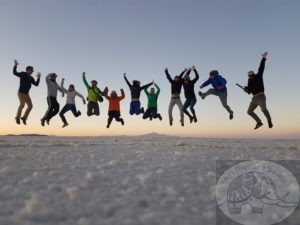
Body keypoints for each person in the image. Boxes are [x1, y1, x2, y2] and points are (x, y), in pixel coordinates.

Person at [243, 51, 273, 129]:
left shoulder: (258, 76)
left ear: (253, 74)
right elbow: (250, 91)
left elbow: (261, 68)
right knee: (249, 112)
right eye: (249, 76)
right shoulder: (249, 81)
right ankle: (259, 122)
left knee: (263, 109)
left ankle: (269, 120)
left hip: (261, 97)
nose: (250, 77)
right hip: (254, 99)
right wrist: (246, 89)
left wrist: (263, 58)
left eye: (251, 75)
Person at [12, 59, 41, 125]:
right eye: (31, 70)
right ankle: (17, 117)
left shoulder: (31, 78)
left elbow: (36, 84)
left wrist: (38, 78)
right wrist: (15, 65)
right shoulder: (23, 74)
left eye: (32, 70)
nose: (32, 71)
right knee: (22, 105)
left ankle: (24, 118)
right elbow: (15, 73)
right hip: (21, 93)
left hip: (27, 94)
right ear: (27, 70)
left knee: (30, 106)